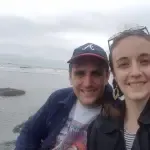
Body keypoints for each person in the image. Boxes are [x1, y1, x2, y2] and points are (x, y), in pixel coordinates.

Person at [15, 43, 117, 150]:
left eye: (96, 73)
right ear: (70, 77)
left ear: (106, 77)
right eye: (80, 73)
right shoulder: (58, 98)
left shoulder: (120, 114)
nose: (87, 83)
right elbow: (29, 132)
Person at [87, 26, 150, 150]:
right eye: (124, 64)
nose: (135, 72)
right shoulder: (99, 126)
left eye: (145, 61)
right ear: (114, 74)